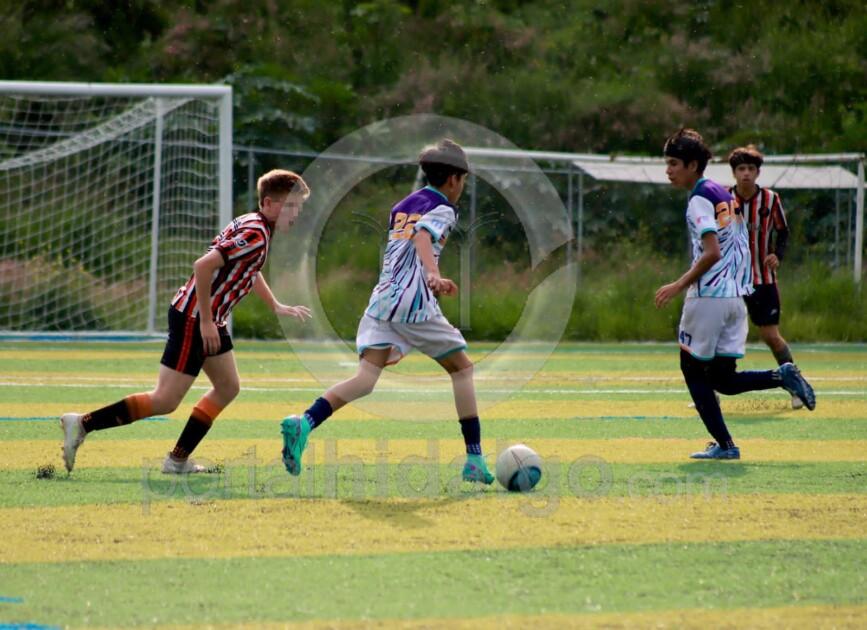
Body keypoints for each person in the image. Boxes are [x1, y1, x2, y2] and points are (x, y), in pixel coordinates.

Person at [60, 170, 313, 474]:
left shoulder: (255, 225)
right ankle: (83, 424)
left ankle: (177, 460)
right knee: (165, 400)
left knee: (227, 386)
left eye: (299, 207)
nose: (295, 213)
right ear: (268, 203)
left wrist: (274, 305)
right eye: (290, 206)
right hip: (195, 317)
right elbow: (203, 266)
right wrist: (205, 321)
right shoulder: (256, 234)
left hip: (208, 318)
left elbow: (248, 269)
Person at [279, 139, 495, 484]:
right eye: (464, 180)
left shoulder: (403, 205)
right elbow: (422, 238)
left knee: (365, 380)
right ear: (454, 179)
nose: (462, 187)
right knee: (463, 370)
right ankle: (474, 459)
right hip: (414, 304)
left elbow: (407, 243)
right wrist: (433, 274)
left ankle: (304, 423)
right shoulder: (444, 208)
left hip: (382, 301)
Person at [655, 129, 815, 460]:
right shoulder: (721, 192)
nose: (668, 170)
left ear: (693, 165)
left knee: (692, 370)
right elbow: (740, 242)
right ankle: (782, 375)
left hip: (709, 299)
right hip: (734, 299)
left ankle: (726, 446)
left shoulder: (699, 199)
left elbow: (712, 251)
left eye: (673, 164)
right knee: (723, 380)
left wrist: (679, 284)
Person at [728, 145, 802, 409]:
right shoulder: (724, 199)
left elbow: (783, 231)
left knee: (770, 335)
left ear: (758, 172)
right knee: (720, 336)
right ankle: (712, 390)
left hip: (763, 281)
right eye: (741, 169)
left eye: (751, 168)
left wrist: (777, 255)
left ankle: (795, 385)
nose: (746, 173)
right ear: (734, 173)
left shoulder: (771, 200)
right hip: (731, 282)